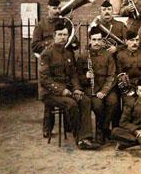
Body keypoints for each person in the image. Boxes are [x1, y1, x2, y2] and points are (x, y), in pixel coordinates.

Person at [39, 22, 99, 150]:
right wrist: (62, 90)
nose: (63, 37)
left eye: (65, 35)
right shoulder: (46, 54)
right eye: (60, 35)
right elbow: (45, 79)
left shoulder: (68, 53)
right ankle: (80, 139)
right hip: (50, 94)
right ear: (54, 36)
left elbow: (73, 75)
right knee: (71, 104)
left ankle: (86, 137)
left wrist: (77, 88)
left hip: (68, 90)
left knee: (85, 100)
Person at [77, 27, 118, 144]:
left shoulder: (108, 55)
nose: (96, 43)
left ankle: (103, 129)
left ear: (102, 41)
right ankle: (101, 132)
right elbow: (77, 76)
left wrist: (104, 91)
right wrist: (86, 76)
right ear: (89, 40)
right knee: (98, 106)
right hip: (91, 88)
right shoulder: (83, 56)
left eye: (99, 40)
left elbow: (112, 75)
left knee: (113, 102)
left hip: (107, 88)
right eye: (94, 40)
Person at [32, 0, 65, 137]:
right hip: (47, 64)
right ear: (48, 8)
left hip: (61, 63)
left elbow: (71, 41)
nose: (57, 11)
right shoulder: (40, 25)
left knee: (65, 91)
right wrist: (52, 43)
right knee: (50, 98)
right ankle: (47, 128)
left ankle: (68, 126)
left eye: (58, 8)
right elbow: (34, 45)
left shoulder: (63, 23)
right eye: (54, 8)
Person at [116, 31, 141, 103]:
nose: (135, 43)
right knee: (129, 103)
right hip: (128, 85)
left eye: (137, 40)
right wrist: (125, 87)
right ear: (126, 41)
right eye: (132, 40)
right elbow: (119, 75)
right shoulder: (120, 56)